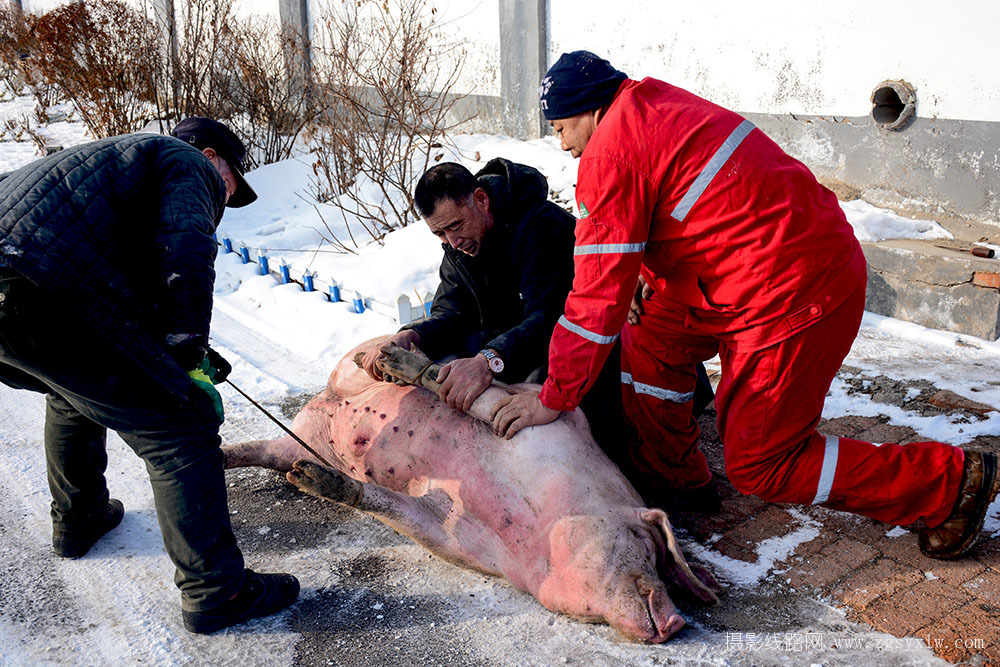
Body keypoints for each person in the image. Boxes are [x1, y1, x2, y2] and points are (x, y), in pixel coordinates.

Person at [491, 51, 999, 560]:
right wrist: (646, 272)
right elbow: (686, 200)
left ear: (592, 110)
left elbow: (594, 296)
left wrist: (553, 396)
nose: (563, 145)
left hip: (790, 293)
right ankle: (679, 481)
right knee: (648, 335)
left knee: (763, 463)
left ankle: (948, 485)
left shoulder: (611, 153)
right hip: (763, 265)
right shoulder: (651, 104)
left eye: (562, 128)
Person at [0, 117, 299, 633]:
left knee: (72, 393)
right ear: (210, 156)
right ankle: (216, 590)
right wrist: (185, 355)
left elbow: (117, 295)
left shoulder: (110, 166)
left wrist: (169, 352)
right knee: (180, 431)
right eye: (231, 182)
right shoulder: (184, 163)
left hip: (18, 289)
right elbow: (184, 252)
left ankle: (80, 518)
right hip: (36, 284)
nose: (225, 199)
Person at [360, 158, 637, 461]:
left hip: (584, 350)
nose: (453, 242)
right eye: (440, 234)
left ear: (480, 199)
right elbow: (451, 312)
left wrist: (489, 360)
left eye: (455, 226)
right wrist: (413, 335)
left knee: (553, 425)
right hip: (515, 346)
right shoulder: (460, 248)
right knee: (449, 367)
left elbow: (550, 317)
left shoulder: (542, 226)